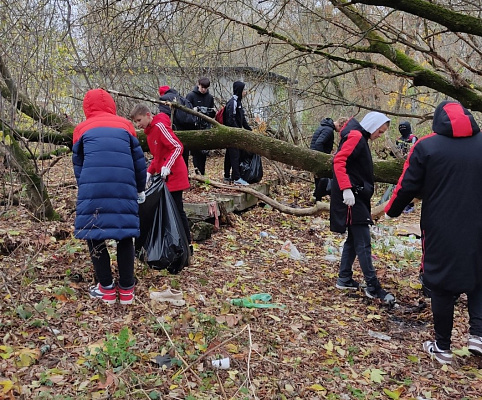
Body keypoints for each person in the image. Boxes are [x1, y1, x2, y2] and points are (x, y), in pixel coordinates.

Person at [385, 101, 482, 365]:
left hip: (441, 225)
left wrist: (391, 211)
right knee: (479, 276)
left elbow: (407, 184)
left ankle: (442, 347)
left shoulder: (427, 145)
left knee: (440, 283)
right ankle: (478, 335)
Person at [72, 88, 147, 305]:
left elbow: (78, 165)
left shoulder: (81, 129)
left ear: (87, 107)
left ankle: (105, 288)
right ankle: (126, 291)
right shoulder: (126, 126)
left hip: (92, 190)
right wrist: (140, 189)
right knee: (125, 235)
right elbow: (139, 162)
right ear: (112, 105)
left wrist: (85, 187)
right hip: (123, 188)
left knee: (94, 235)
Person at [330, 111, 395, 305]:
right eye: (380, 132)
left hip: (357, 195)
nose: (379, 135)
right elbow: (339, 161)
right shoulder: (357, 136)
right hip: (352, 198)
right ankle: (373, 287)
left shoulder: (359, 136)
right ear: (373, 126)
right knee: (363, 241)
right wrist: (346, 189)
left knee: (353, 238)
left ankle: (344, 278)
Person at [130, 104, 192, 252]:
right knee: (167, 208)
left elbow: (177, 146)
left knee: (177, 208)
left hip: (174, 174)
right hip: (165, 175)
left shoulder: (159, 126)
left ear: (147, 115)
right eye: (136, 122)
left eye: (139, 120)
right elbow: (158, 156)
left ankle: (186, 244)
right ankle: (172, 241)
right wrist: (149, 172)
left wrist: (168, 165)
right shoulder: (150, 131)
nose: (138, 124)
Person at [310, 117, 348, 201]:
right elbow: (319, 143)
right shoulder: (328, 130)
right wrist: (322, 157)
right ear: (340, 125)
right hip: (317, 157)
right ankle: (317, 198)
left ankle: (317, 198)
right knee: (322, 178)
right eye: (342, 128)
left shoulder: (325, 127)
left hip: (314, 155)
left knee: (318, 178)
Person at [223, 81, 252, 185]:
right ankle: (236, 178)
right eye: (244, 90)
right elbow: (230, 119)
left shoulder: (238, 102)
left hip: (236, 133)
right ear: (239, 90)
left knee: (230, 155)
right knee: (234, 155)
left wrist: (249, 130)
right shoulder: (233, 102)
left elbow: (242, 119)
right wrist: (237, 131)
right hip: (232, 134)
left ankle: (227, 176)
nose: (245, 92)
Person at [185, 77, 216, 175]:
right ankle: (197, 172)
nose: (204, 90)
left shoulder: (209, 97)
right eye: (202, 87)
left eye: (206, 88)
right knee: (196, 153)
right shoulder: (191, 96)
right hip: (194, 128)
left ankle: (202, 173)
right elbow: (186, 112)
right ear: (198, 85)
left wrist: (209, 111)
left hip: (205, 128)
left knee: (204, 153)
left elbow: (212, 113)